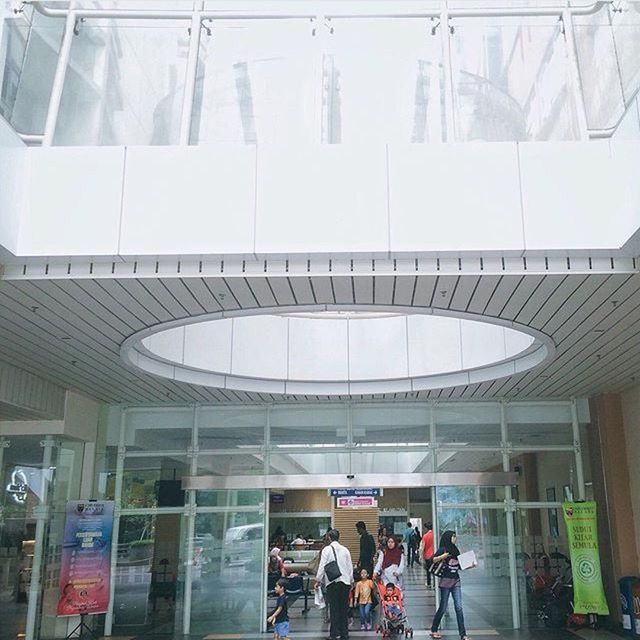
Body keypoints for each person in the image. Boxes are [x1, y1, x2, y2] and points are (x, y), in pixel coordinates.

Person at [429, 530, 471, 640]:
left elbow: (460, 566)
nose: (455, 539)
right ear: (448, 537)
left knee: (459, 607)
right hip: (445, 582)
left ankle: (463, 634)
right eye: (453, 537)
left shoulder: (456, 550)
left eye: (455, 537)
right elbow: (433, 560)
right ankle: (434, 629)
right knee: (443, 607)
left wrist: (469, 565)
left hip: (456, 581)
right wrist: (443, 556)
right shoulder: (443, 549)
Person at [314, 529, 353, 640]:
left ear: (329, 538)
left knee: (334, 608)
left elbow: (322, 566)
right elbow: (349, 567)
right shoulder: (345, 550)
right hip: (345, 583)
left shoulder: (327, 550)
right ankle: (344, 633)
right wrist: (351, 581)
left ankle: (334, 633)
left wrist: (318, 580)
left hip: (332, 582)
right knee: (343, 608)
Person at [420, 523, 435, 589]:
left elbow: (422, 547)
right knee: (434, 570)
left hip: (427, 556)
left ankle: (429, 583)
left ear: (426, 528)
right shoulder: (435, 535)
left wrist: (421, 556)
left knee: (428, 571)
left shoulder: (425, 536)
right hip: (435, 556)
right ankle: (435, 584)